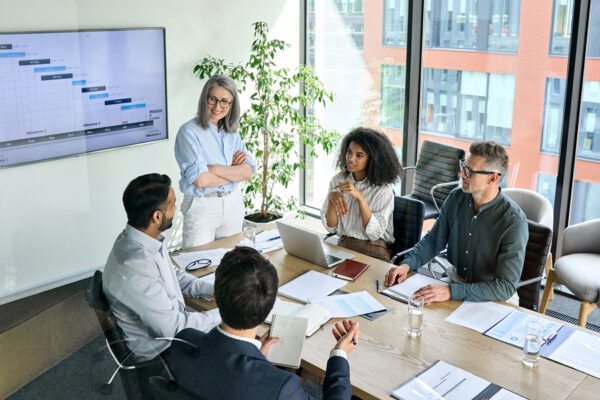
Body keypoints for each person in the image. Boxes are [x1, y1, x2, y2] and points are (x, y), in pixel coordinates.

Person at [168, 246, 358, 400]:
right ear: (269, 306)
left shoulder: (182, 343)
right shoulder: (280, 387)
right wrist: (339, 355)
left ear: (215, 298)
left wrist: (256, 358)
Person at [102, 174, 221, 393]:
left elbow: (174, 275)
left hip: (169, 334)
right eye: (173, 204)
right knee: (239, 352)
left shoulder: (142, 238)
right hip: (162, 355)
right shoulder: (135, 266)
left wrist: (213, 289)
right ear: (157, 216)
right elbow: (174, 329)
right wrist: (225, 313)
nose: (177, 208)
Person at [385, 141, 528, 303]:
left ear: (492, 178)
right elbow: (433, 240)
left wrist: (451, 291)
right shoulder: (455, 198)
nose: (461, 175)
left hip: (493, 296)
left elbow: (504, 287)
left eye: (469, 171)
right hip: (455, 281)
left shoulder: (514, 221)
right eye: (463, 166)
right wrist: (406, 265)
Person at [174, 74, 255, 249]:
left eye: (225, 101)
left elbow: (247, 172)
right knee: (198, 265)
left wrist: (212, 169)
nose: (218, 106)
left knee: (232, 265)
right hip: (202, 206)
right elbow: (200, 180)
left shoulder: (232, 133)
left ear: (232, 104)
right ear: (205, 99)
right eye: (213, 99)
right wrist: (233, 172)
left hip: (232, 203)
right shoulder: (189, 132)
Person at [321, 127, 403, 261]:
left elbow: (375, 234)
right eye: (349, 152)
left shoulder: (383, 189)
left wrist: (360, 198)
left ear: (373, 159)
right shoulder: (338, 180)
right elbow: (331, 228)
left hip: (373, 250)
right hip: (344, 245)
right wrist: (331, 200)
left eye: (359, 155)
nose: (351, 159)